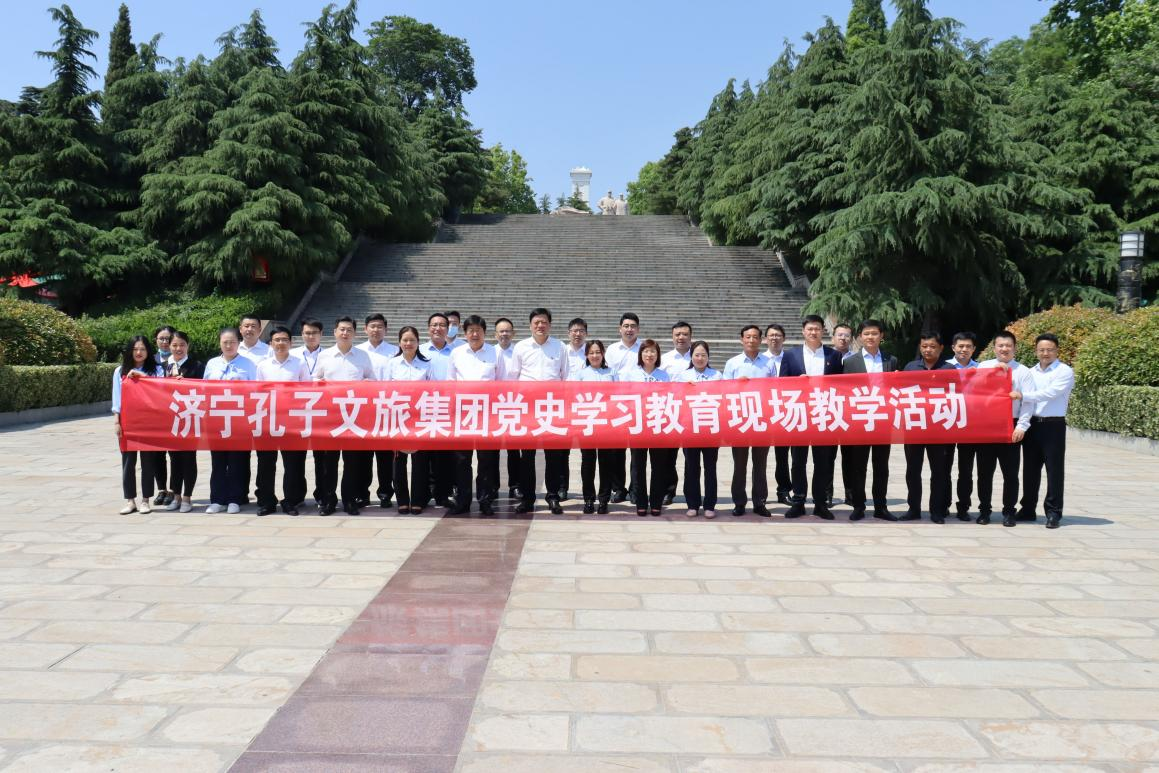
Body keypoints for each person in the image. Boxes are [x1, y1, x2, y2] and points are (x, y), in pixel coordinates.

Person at [781, 315, 844, 519]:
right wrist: (796, 383)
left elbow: (841, 386)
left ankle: (820, 503)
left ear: (823, 331)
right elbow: (781, 384)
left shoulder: (834, 355)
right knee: (798, 461)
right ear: (803, 331)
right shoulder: (791, 355)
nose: (813, 332)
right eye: (810, 329)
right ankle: (798, 501)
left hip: (824, 415)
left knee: (822, 462)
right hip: (799, 414)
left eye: (817, 329)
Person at [1011, 333, 1075, 529]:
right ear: (1036, 351)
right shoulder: (1031, 372)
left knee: (1054, 470)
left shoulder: (1064, 371)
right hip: (1032, 425)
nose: (1045, 353)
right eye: (1042, 350)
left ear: (1057, 351)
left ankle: (1053, 512)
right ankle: (1028, 509)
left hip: (1053, 426)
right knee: (1030, 470)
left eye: (1049, 350)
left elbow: (1051, 393)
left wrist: (1023, 395)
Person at [313, 316, 375, 515]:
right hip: (330, 416)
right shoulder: (325, 355)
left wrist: (366, 384)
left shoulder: (363, 356)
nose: (345, 333)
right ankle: (329, 500)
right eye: (342, 329)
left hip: (353, 416)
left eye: (349, 329)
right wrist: (320, 383)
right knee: (328, 462)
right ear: (335, 332)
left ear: (355, 333)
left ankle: (349, 500)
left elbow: (372, 379)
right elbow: (315, 379)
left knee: (352, 461)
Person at [509, 308, 568, 514]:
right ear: (530, 325)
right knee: (527, 456)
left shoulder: (560, 346)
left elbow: (565, 376)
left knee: (554, 456)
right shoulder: (521, 347)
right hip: (528, 408)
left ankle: (553, 497)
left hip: (552, 407)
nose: (540, 326)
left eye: (544, 322)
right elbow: (514, 377)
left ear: (549, 324)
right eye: (536, 322)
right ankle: (527, 498)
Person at [840, 320, 899, 521]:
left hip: (883, 419)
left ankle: (881, 507)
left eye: (874, 333)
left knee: (881, 466)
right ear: (860, 337)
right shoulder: (850, 362)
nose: (870, 337)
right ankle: (858, 505)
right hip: (860, 419)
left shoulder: (891, 360)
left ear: (881, 336)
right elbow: (845, 392)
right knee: (858, 466)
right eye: (866, 333)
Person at [447, 315, 505, 516]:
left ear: (484, 332)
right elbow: (450, 382)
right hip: (463, 414)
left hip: (487, 414)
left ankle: (485, 500)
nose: (474, 334)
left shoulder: (495, 353)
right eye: (470, 330)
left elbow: (502, 382)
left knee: (486, 460)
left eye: (478, 330)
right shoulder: (456, 353)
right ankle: (463, 500)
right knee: (462, 459)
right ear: (465, 333)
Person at [976, 330, 1034, 527]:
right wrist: (992, 373)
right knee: (984, 472)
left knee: (1010, 473)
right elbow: (974, 391)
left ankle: (1009, 512)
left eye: (1008, 345)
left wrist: (1022, 426)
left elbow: (1028, 402)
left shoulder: (1023, 371)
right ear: (994, 348)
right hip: (987, 425)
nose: (1004, 349)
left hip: (1011, 425)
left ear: (1015, 348)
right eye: (1000, 345)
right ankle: (984, 511)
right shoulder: (984, 366)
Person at [254, 325, 310, 516]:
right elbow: (257, 393)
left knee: (293, 463)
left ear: (291, 342)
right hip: (267, 420)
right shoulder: (263, 366)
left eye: (284, 340)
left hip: (292, 421)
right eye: (277, 340)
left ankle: (291, 500)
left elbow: (308, 391)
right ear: (270, 343)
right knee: (265, 463)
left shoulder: (299, 364)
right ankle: (266, 501)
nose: (281, 343)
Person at [902, 331, 956, 522]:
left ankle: (937, 511)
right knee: (912, 471)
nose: (928, 350)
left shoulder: (949, 369)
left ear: (941, 348)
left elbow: (959, 396)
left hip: (939, 429)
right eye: (924, 346)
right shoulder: (910, 368)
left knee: (939, 471)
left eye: (932, 346)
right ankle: (913, 509)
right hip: (914, 427)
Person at [203, 327, 258, 514]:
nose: (229, 346)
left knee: (237, 460)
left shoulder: (248, 364)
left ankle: (236, 498)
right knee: (218, 461)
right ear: (220, 343)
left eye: (232, 342)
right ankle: (217, 499)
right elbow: (203, 389)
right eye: (225, 342)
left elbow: (255, 391)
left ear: (238, 343)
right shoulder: (212, 364)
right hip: (217, 420)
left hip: (240, 420)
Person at [722, 325, 774, 516]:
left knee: (760, 464)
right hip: (740, 419)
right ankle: (739, 502)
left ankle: (760, 502)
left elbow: (775, 389)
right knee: (740, 464)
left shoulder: (769, 363)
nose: (751, 340)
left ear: (761, 340)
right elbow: (723, 390)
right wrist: (736, 385)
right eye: (748, 337)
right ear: (741, 339)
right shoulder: (732, 363)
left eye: (755, 337)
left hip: (762, 419)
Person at [381, 326, 433, 514]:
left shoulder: (427, 364)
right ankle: (402, 500)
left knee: (420, 461)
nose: (408, 343)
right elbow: (384, 391)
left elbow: (434, 390)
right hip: (398, 416)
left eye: (412, 340)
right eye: (405, 340)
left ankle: (418, 499)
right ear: (399, 342)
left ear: (418, 342)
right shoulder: (391, 364)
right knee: (398, 461)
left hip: (420, 417)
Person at [112, 336, 164, 514]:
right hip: (127, 422)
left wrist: (142, 376)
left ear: (148, 351)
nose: (139, 352)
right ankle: (130, 500)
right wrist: (117, 421)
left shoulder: (157, 370)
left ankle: (145, 500)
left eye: (142, 349)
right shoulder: (120, 371)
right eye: (135, 349)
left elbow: (160, 390)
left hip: (148, 422)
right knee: (128, 462)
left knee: (148, 462)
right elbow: (116, 398)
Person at [619, 339, 670, 516]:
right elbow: (624, 399)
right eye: (646, 351)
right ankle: (640, 501)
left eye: (653, 351)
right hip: (638, 426)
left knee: (658, 466)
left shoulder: (664, 376)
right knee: (637, 466)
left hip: (658, 426)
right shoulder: (631, 374)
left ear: (658, 355)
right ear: (640, 354)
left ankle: (656, 502)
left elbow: (669, 399)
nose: (649, 355)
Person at [356, 313, 398, 510]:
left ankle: (385, 494)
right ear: (365, 329)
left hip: (386, 408)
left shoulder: (394, 351)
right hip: (363, 410)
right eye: (372, 326)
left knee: (385, 457)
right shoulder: (358, 351)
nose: (376, 330)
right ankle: (362, 494)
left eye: (380, 326)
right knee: (363, 457)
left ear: (386, 329)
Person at [676, 340, 721, 519]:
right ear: (691, 356)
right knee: (691, 467)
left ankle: (709, 504)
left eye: (703, 355)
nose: (700, 358)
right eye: (697, 355)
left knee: (711, 467)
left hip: (711, 428)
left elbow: (724, 397)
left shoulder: (716, 375)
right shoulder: (683, 376)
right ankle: (692, 504)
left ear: (708, 357)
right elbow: (675, 398)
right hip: (690, 428)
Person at [571, 339, 616, 514]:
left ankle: (604, 500)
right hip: (587, 423)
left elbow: (618, 395)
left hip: (607, 424)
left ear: (603, 354)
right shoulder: (581, 374)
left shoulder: (611, 373)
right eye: (591, 353)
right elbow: (575, 398)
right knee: (588, 462)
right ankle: (588, 499)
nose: (595, 356)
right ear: (586, 355)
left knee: (606, 463)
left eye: (598, 352)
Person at [163, 331, 203, 513]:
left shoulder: (197, 365)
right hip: (169, 420)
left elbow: (204, 389)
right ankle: (176, 495)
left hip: (189, 418)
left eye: (182, 345)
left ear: (188, 346)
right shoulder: (162, 366)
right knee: (174, 459)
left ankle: (187, 497)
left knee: (188, 458)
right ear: (169, 346)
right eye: (174, 345)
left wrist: (187, 383)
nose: (178, 348)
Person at [291, 319, 327, 510]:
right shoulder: (292, 355)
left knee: (323, 458)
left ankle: (322, 495)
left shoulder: (329, 355)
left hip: (323, 413)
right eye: (307, 333)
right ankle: (297, 495)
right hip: (297, 413)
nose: (310, 336)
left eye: (314, 332)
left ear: (321, 334)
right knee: (296, 457)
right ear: (302, 334)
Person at [605, 313, 641, 502]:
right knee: (616, 451)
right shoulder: (612, 350)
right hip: (617, 404)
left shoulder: (644, 348)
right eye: (626, 326)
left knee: (637, 451)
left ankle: (635, 489)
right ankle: (618, 488)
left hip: (638, 404)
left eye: (633, 326)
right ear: (620, 329)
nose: (629, 329)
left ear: (638, 329)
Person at [420, 312, 455, 507]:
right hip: (424, 407)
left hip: (448, 408)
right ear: (428, 328)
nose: (438, 328)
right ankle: (424, 493)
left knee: (444, 455)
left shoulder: (456, 351)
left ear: (448, 329)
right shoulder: (420, 350)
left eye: (442, 325)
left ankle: (443, 494)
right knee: (424, 455)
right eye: (434, 325)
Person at [946, 331, 980, 521]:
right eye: (960, 346)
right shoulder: (944, 367)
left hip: (971, 424)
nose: (964, 349)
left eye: (968, 346)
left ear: (974, 349)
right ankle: (943, 504)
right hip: (947, 421)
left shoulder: (982, 369)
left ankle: (963, 507)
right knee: (943, 467)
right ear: (953, 348)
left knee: (966, 470)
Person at [659, 321, 693, 504]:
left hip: (691, 413)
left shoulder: (697, 356)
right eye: (677, 334)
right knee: (668, 457)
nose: (681, 337)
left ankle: (691, 491)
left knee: (691, 457)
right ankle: (668, 491)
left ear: (690, 337)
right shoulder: (664, 359)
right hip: (670, 412)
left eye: (685, 334)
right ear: (672, 337)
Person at [560, 318, 589, 502]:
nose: (577, 334)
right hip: (565, 407)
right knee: (562, 451)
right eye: (574, 331)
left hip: (586, 408)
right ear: (568, 333)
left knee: (588, 452)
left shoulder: (592, 352)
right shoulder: (561, 351)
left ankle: (588, 490)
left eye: (581, 331)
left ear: (586, 333)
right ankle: (562, 488)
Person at [764, 324, 792, 505]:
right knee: (759, 456)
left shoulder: (792, 358)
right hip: (762, 412)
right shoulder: (760, 359)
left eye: (778, 335)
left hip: (786, 411)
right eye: (771, 335)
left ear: (784, 338)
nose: (774, 338)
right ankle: (759, 493)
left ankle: (784, 490)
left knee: (783, 455)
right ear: (765, 339)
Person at [494, 316, 521, 502]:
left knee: (514, 449)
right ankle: (493, 486)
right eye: (501, 331)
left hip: (513, 404)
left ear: (513, 333)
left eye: (507, 331)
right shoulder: (490, 352)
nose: (504, 334)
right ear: (495, 334)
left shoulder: (518, 352)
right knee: (492, 450)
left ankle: (515, 485)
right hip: (493, 405)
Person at [151, 325, 178, 509]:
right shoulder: (150, 360)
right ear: (156, 341)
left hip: (175, 413)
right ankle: (161, 489)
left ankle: (174, 491)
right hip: (155, 415)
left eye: (168, 339)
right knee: (156, 454)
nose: (165, 342)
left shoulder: (178, 360)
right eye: (161, 338)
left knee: (175, 454)